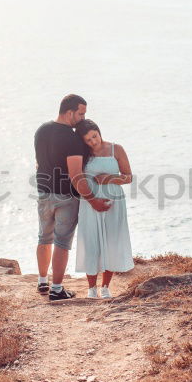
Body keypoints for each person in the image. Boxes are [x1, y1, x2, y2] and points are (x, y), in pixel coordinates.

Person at [34, 95, 110, 301]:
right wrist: (94, 200)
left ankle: (42, 282)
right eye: (81, 113)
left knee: (44, 237)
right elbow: (76, 175)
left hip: (43, 193)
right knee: (61, 242)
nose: (82, 118)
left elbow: (38, 164)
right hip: (65, 196)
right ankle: (57, 289)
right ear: (69, 112)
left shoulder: (41, 130)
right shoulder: (72, 138)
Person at [74, 119, 134, 298]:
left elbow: (128, 177)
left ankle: (106, 286)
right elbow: (75, 176)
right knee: (91, 241)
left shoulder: (117, 149)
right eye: (88, 140)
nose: (93, 141)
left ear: (99, 132)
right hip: (89, 200)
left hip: (114, 200)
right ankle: (91, 288)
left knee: (111, 241)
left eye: (94, 136)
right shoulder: (81, 154)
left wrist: (109, 178)